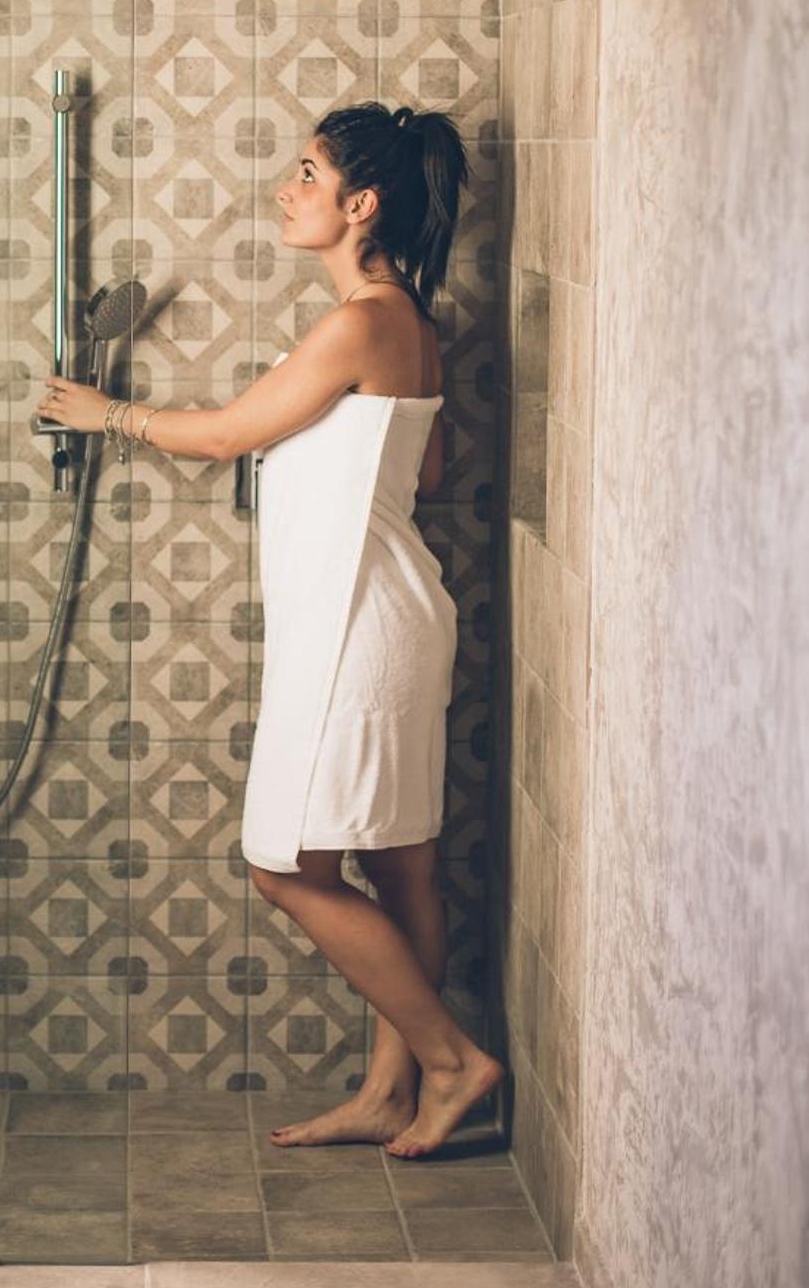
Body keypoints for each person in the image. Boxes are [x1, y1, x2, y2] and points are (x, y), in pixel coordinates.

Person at [34, 100, 507, 1158]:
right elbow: (425, 470)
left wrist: (104, 414)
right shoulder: (406, 324)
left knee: (285, 867)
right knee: (402, 866)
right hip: (385, 615)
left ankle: (450, 1061)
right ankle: (389, 1092)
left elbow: (225, 436)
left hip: (357, 630)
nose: (285, 190)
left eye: (306, 173)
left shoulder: (362, 323)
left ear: (361, 203)